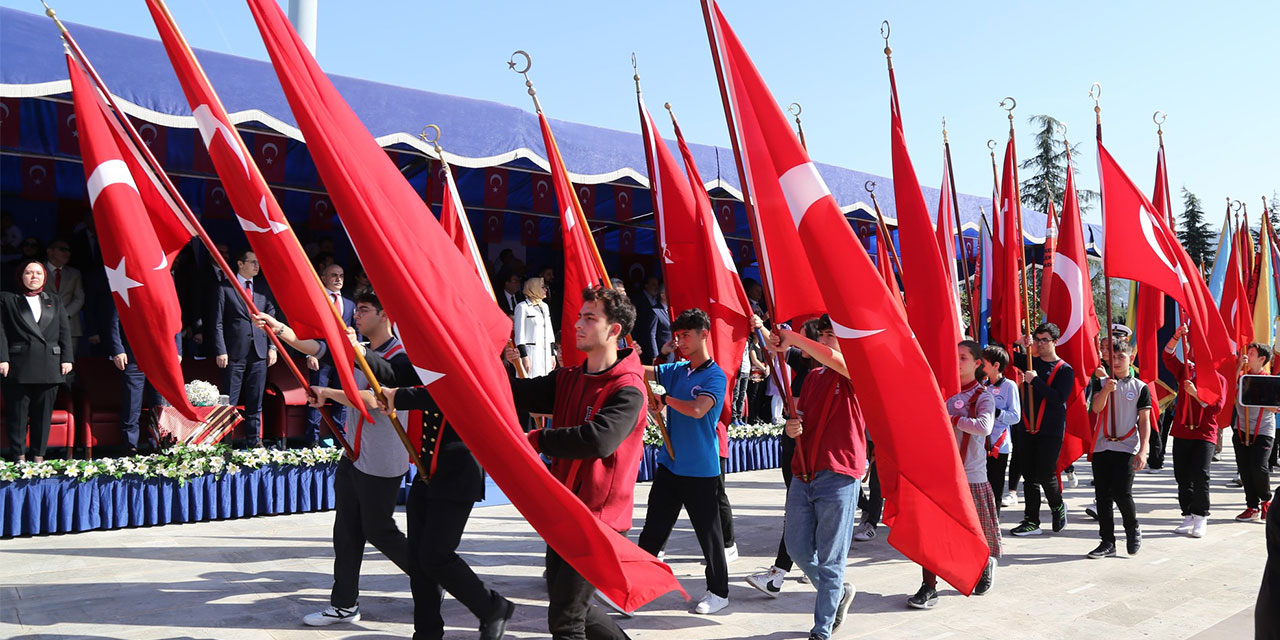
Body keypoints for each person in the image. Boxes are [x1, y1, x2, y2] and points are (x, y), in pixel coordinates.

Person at [254, 293, 420, 629]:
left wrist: (328, 393)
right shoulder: (357, 346)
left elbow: (376, 399)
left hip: (383, 457)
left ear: (385, 314)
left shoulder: (400, 357)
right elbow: (318, 348)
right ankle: (344, 604)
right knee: (346, 530)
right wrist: (280, 330)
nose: (356, 315)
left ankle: (431, 577)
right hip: (354, 452)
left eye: (364, 310)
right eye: (356, 309)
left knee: (379, 530)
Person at [504, 285, 647, 640]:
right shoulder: (570, 378)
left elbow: (598, 439)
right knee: (572, 608)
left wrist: (536, 439)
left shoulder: (628, 388)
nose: (577, 324)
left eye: (589, 318)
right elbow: (515, 394)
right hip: (566, 508)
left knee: (566, 622)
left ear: (614, 330)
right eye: (579, 316)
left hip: (598, 519)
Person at [635, 308, 731, 615]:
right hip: (669, 465)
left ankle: (719, 592)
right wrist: (625, 358)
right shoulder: (677, 369)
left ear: (704, 334)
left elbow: (699, 409)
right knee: (653, 529)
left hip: (701, 470)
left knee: (709, 537)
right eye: (677, 336)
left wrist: (665, 400)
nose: (680, 342)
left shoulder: (715, 376)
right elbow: (644, 372)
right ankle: (634, 586)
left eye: (686, 336)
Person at [774, 315, 863, 640]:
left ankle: (822, 629)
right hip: (804, 471)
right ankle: (837, 592)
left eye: (831, 336)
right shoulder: (812, 377)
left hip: (839, 473)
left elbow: (836, 360)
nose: (825, 341)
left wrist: (793, 338)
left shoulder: (857, 371)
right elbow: (801, 419)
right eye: (823, 335)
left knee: (831, 556)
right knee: (797, 549)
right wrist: (792, 426)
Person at [908, 341, 1002, 608]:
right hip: (940, 471)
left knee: (975, 530)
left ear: (977, 364)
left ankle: (983, 564)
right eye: (954, 356)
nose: (957, 361)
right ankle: (929, 586)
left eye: (963, 357)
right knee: (933, 532)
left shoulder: (983, 395)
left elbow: (984, 426)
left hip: (970, 472)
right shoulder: (939, 390)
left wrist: (950, 418)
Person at [747, 317, 825, 595]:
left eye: (804, 336)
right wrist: (759, 324)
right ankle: (807, 563)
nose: (797, 341)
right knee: (800, 510)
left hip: (815, 451)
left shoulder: (832, 371)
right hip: (793, 446)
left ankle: (779, 574)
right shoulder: (803, 363)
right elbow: (775, 343)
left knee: (800, 513)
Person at [0, 259, 73, 462]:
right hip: (18, 365)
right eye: (29, 273)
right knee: (18, 415)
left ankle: (39, 457)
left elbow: (64, 331)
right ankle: (19, 457)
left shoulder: (54, 300)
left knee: (43, 416)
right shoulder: (7, 299)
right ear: (20, 276)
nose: (34, 277)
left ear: (44, 277)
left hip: (49, 365)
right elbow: (1, 331)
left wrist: (67, 358)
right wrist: (2, 358)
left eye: (38, 273)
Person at [1085, 340, 1151, 558]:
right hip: (1103, 444)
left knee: (1122, 493)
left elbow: (1144, 420)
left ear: (1130, 358)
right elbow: (1096, 408)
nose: (1116, 361)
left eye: (1121, 356)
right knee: (1102, 495)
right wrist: (1105, 389)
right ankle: (1107, 541)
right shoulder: (1101, 381)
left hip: (1127, 446)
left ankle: (1133, 529)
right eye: (1112, 357)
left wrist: (1143, 449)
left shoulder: (1140, 387)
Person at [1163, 325, 1228, 538]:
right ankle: (1188, 513)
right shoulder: (1186, 371)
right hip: (1182, 430)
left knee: (1201, 475)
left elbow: (1216, 408)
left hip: (1204, 433)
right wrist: (1176, 336)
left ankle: (1201, 515)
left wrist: (1196, 395)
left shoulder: (1219, 379)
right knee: (1182, 475)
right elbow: (1167, 356)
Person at [1010, 322, 1074, 537]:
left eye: (1044, 340)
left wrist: (1035, 381)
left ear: (1055, 342)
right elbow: (1005, 355)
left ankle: (1057, 506)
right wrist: (1017, 342)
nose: (1039, 344)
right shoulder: (1030, 360)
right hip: (1025, 427)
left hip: (1050, 429)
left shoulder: (1065, 369)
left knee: (1046, 474)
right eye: (1037, 340)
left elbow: (1058, 399)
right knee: (1029, 476)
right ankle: (1031, 520)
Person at [213, 249, 277, 448]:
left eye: (258, 262)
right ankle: (226, 442)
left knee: (255, 399)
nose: (256, 266)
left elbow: (272, 320)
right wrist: (220, 349)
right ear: (240, 264)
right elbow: (217, 322)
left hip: (258, 351)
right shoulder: (225, 288)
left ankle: (254, 441)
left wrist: (272, 346)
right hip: (234, 351)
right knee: (229, 400)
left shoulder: (263, 289)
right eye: (252, 262)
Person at [304, 263, 355, 446]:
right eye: (334, 275)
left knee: (342, 399)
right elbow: (308, 329)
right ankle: (312, 442)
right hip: (320, 356)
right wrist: (309, 354)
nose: (338, 279)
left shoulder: (349, 303)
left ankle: (339, 441)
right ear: (324, 278)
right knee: (317, 397)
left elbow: (357, 333)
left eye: (341, 275)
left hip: (343, 359)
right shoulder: (316, 299)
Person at [1234, 343, 1275, 523]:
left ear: (1262, 359)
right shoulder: (1242, 376)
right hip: (1241, 429)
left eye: (1251, 353)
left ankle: (1266, 500)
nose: (1247, 356)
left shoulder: (1271, 381)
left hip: (1263, 431)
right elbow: (1229, 391)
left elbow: (1275, 407)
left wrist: (1256, 398)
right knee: (1244, 469)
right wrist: (1237, 368)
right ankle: (1252, 506)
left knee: (1259, 466)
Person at [979, 345, 1021, 514]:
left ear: (996, 365)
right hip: (982, 444)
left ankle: (994, 523)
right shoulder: (983, 386)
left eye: (984, 362)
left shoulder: (1009, 386)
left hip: (999, 445)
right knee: (982, 485)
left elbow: (1015, 416)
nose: (981, 365)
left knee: (996, 487)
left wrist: (996, 412)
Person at [44, 239, 85, 345]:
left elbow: (79, 298)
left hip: (69, 325)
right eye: (63, 249)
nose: (67, 253)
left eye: (69, 250)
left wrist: (65, 315)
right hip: (43, 324)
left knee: (68, 360)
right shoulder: (38, 270)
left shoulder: (74, 273)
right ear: (50, 251)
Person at [513, 277, 555, 377]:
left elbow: (550, 331)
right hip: (531, 354)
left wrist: (552, 354)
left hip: (546, 354)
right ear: (534, 288)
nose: (545, 290)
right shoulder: (522, 307)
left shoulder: (545, 307)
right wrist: (524, 356)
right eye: (542, 287)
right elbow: (519, 335)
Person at [632, 276, 670, 365]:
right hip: (659, 352)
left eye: (657, 284)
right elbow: (651, 335)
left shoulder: (668, 310)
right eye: (653, 284)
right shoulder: (653, 310)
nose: (655, 287)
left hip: (670, 353)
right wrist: (656, 356)